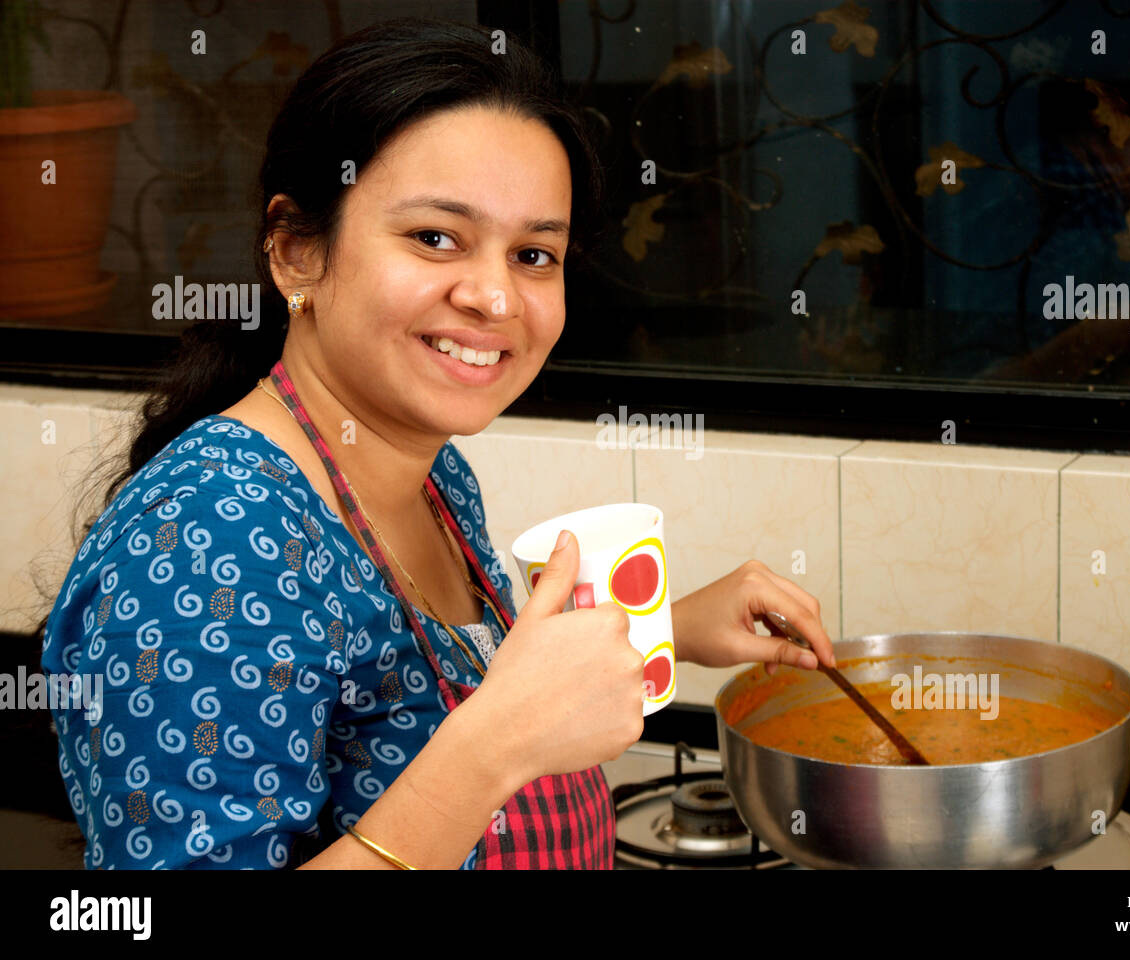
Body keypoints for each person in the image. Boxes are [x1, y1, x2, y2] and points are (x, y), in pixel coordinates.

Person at [37, 17, 834, 870]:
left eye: (534, 253)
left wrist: (665, 628)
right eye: (435, 238)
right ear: (296, 251)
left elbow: (418, 697)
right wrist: (494, 750)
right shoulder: (208, 537)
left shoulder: (433, 472)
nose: (495, 298)